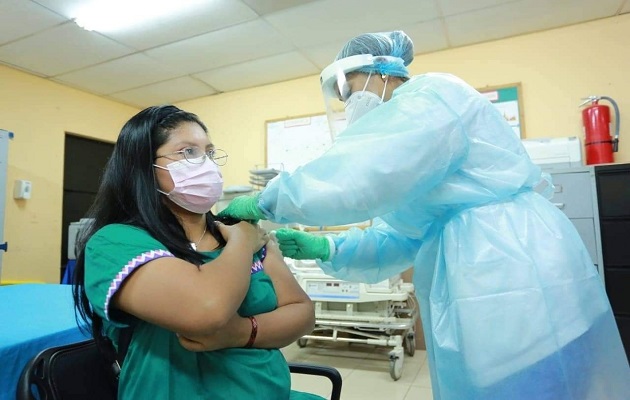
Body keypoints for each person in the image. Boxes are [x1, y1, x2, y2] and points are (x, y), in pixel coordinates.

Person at [218, 31, 630, 399]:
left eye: (351, 90)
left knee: (536, 378)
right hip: (481, 268)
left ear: (381, 72)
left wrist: (267, 201)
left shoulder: (432, 97)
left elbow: (359, 176)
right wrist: (327, 246)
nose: (349, 105)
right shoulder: (415, 161)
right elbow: (402, 236)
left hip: (511, 264)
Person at [72, 105, 323, 400]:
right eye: (188, 152)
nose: (206, 163)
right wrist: (242, 239)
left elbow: (302, 312)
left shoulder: (240, 234)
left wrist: (241, 332)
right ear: (144, 167)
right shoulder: (117, 242)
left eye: (209, 152)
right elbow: (206, 309)